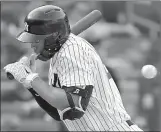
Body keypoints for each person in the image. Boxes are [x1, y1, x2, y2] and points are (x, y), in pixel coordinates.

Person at [4, 5, 143, 131]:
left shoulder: (72, 50)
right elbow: (59, 112)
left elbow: (73, 107)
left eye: (36, 39)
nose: (32, 45)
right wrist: (30, 83)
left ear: (53, 37)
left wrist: (30, 78)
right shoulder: (60, 55)